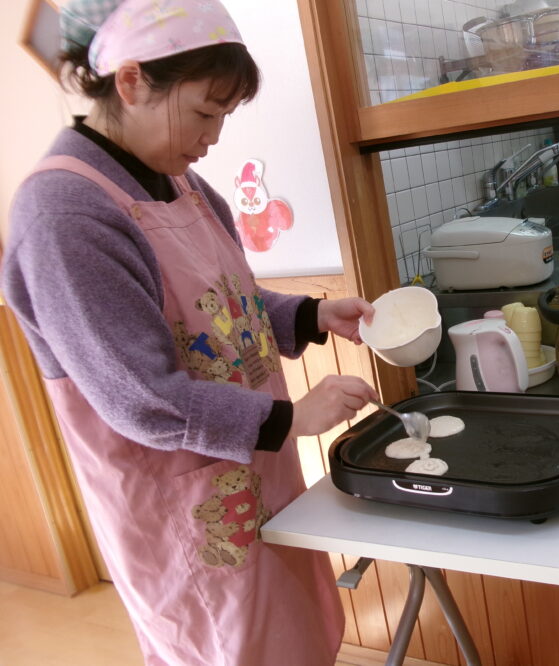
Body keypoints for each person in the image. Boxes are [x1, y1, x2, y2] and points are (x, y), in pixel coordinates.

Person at [0, 1, 380, 663]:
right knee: (227, 647)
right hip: (182, 508)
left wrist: (309, 317)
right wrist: (293, 416)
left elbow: (224, 302)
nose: (213, 137)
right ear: (131, 82)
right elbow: (139, 398)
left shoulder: (182, 180)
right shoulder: (64, 214)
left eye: (224, 116)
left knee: (294, 633)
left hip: (257, 475)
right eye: (205, 112)